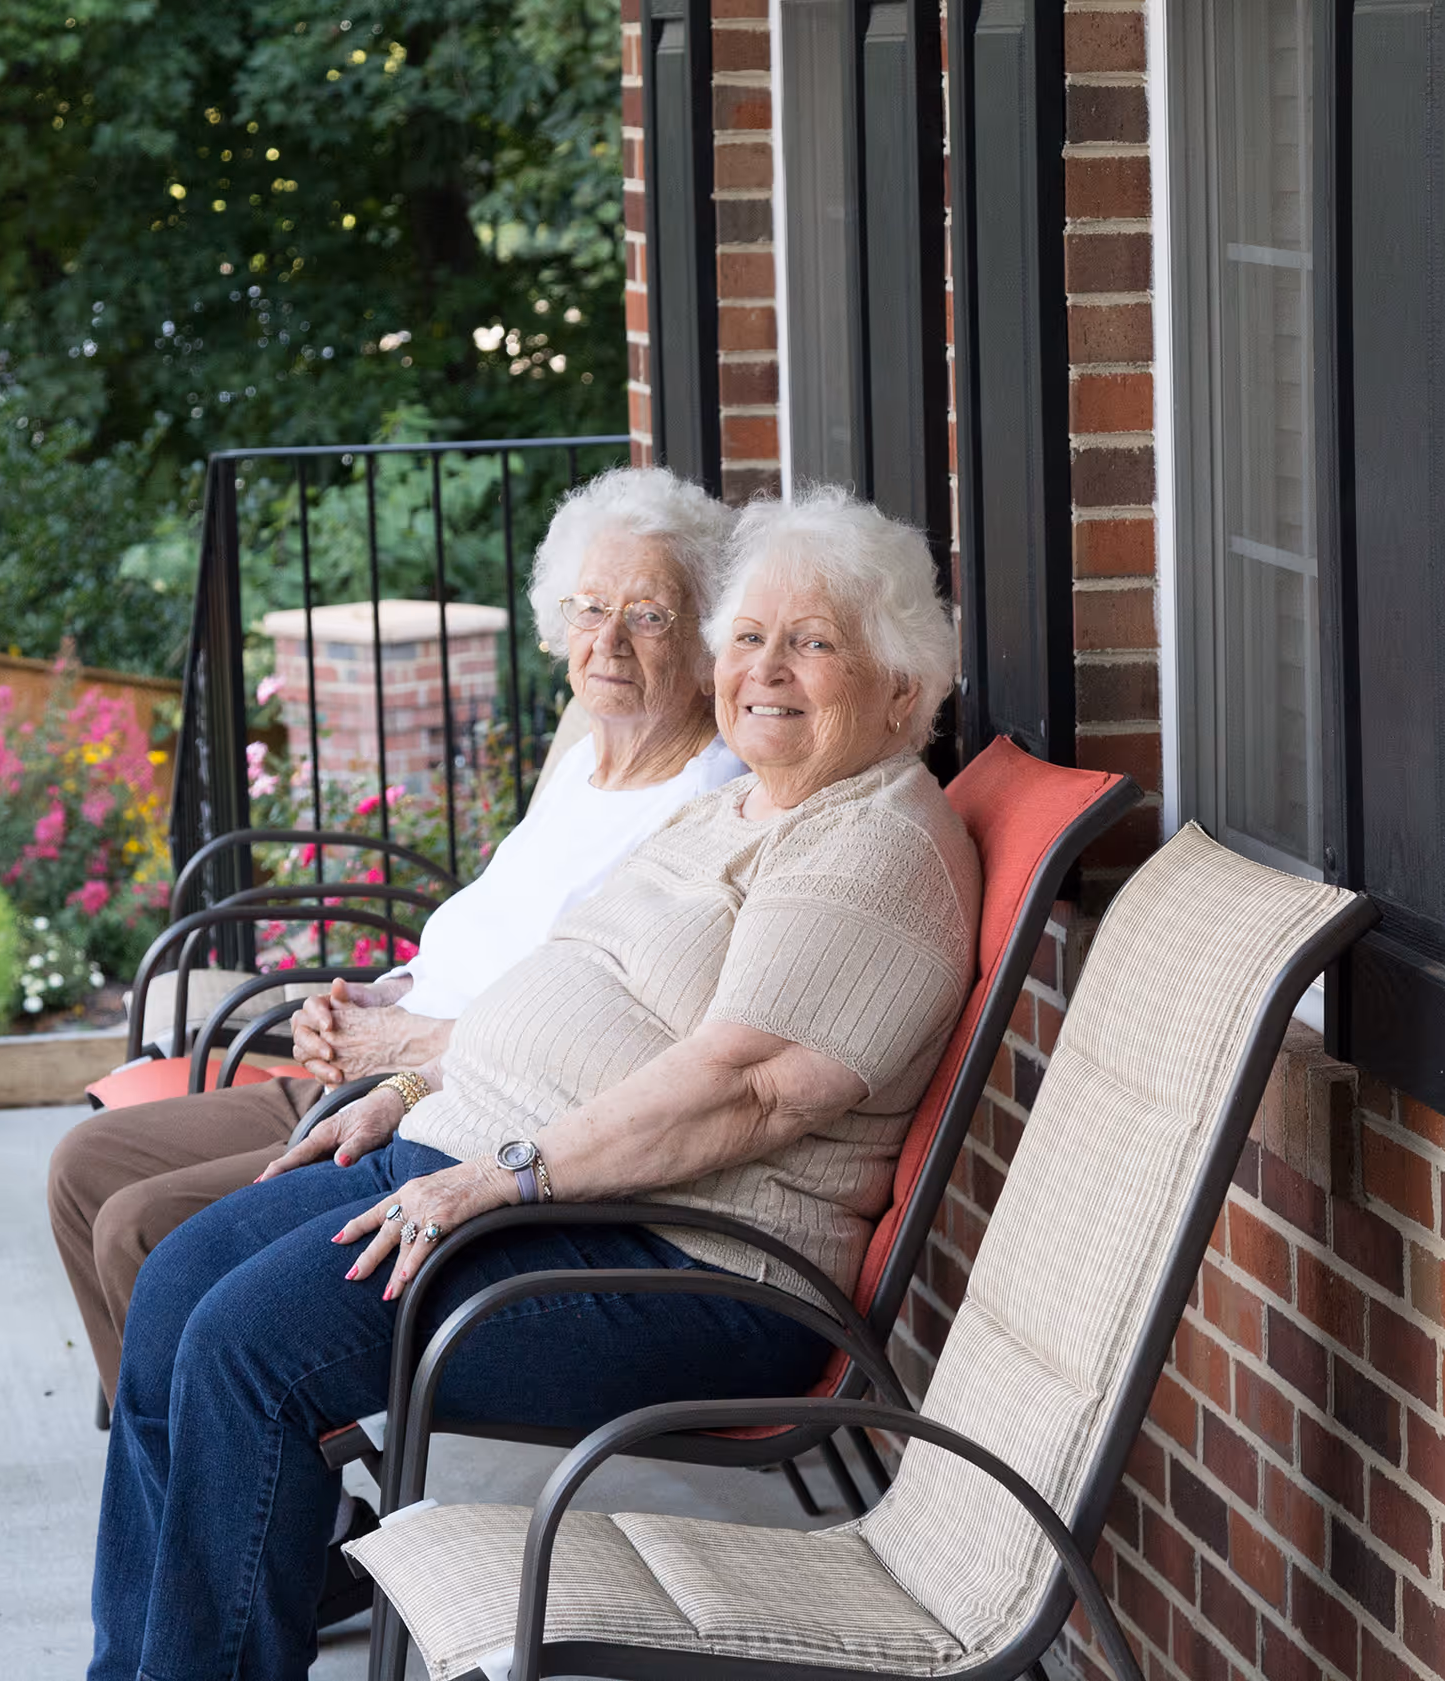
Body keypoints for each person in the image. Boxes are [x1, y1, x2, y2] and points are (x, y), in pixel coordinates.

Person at [86, 487, 982, 1681]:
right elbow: (568, 989)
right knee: (180, 1282)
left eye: (813, 643)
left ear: (904, 690)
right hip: (509, 1170)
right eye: (751, 637)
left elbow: (745, 1093)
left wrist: (505, 1177)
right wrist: (405, 1095)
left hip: (684, 1257)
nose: (766, 669)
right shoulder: (737, 804)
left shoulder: (872, 846)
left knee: (255, 1347)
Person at [48, 466, 742, 1413]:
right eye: (589, 609)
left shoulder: (702, 801)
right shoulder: (587, 758)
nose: (608, 641)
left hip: (451, 1100)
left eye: (649, 616)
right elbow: (492, 929)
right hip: (391, 1059)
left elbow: (586, 1027)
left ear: (705, 639)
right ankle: (190, 1469)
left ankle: (258, 1467)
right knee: (85, 1167)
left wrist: (399, 1050)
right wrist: (381, 992)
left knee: (138, 1230)